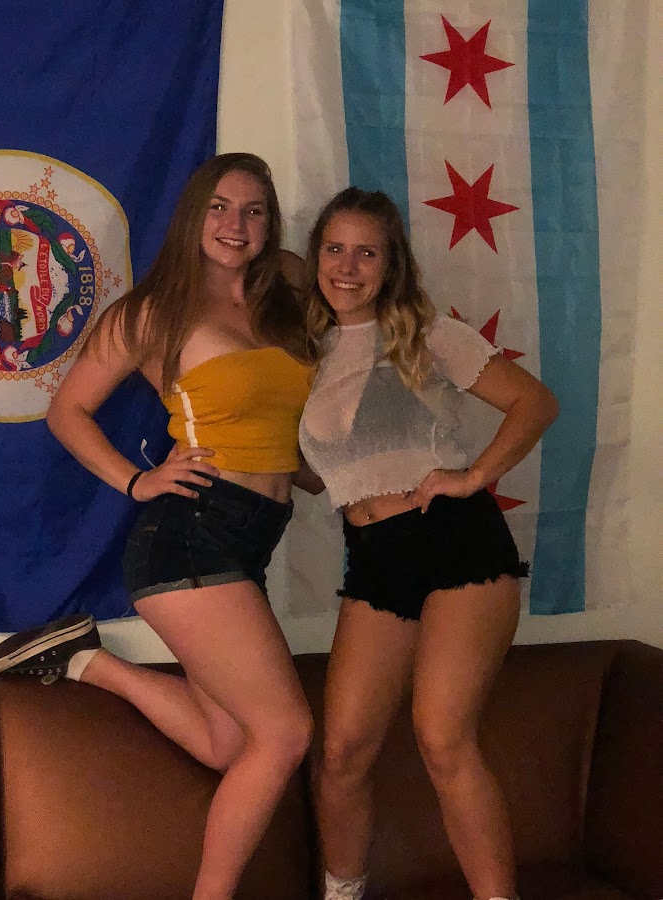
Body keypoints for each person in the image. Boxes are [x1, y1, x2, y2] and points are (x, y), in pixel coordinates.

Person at [0, 153, 319, 900]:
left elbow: (289, 417)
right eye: (219, 207)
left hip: (253, 538)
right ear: (193, 215)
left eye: (255, 210)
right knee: (285, 733)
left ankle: (88, 663)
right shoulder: (154, 312)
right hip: (190, 534)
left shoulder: (286, 295)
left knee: (229, 742)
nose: (236, 225)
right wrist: (137, 480)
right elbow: (68, 411)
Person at [297, 189, 559, 900]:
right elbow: (324, 476)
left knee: (442, 739)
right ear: (315, 256)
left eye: (367, 252)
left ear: (391, 264)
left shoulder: (426, 332)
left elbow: (535, 402)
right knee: (342, 752)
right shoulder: (305, 353)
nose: (347, 266)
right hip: (374, 558)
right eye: (334, 249)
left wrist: (474, 476)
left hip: (455, 546)